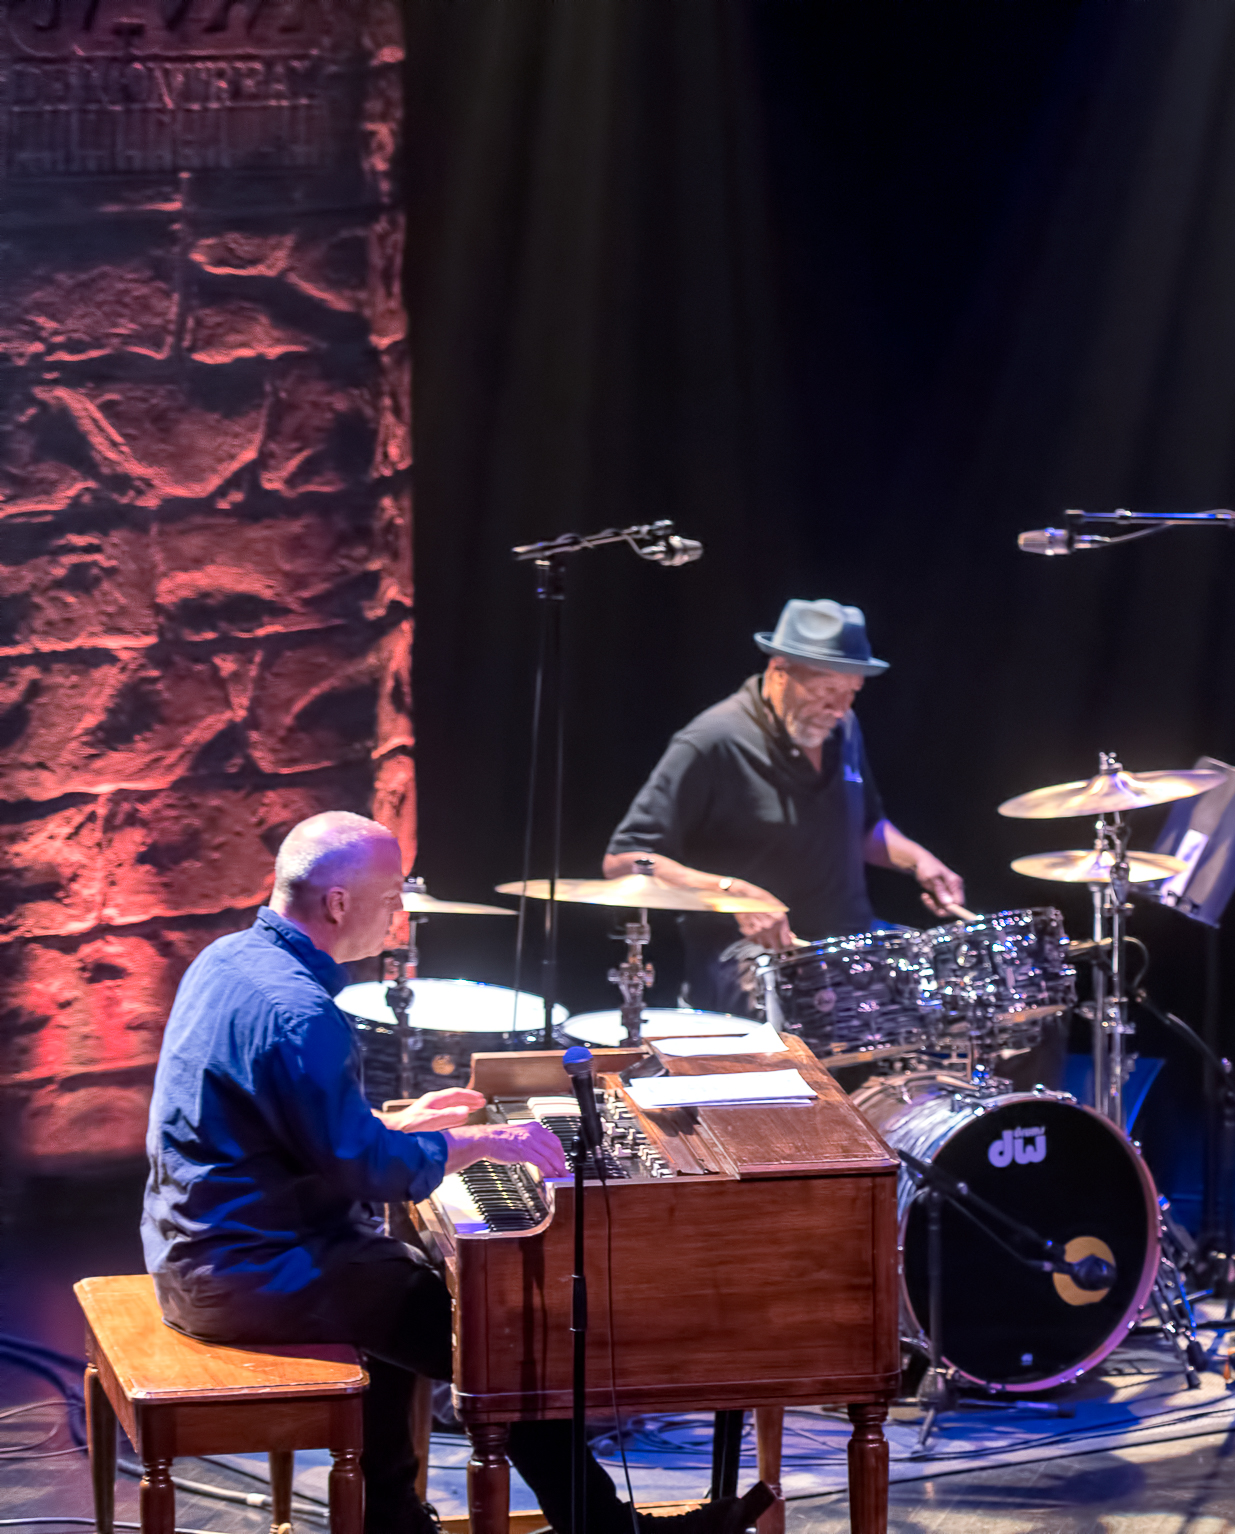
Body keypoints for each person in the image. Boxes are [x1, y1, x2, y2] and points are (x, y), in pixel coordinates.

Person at [143, 811, 773, 1534]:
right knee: (502, 1340)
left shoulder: (226, 960)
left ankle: (394, 1516)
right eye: (390, 899)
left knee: (410, 1285)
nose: (400, 916)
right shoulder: (300, 1011)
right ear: (338, 904)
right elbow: (363, 1169)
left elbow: (282, 1133)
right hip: (251, 1273)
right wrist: (485, 1142)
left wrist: (404, 1125)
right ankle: (603, 1530)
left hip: (199, 1248)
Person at [605, 598, 966, 1012]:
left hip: (846, 942)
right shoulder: (711, 741)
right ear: (779, 671)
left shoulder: (842, 726)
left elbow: (863, 827)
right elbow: (625, 859)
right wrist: (732, 893)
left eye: (851, 693)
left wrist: (918, 860)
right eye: (826, 690)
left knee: (975, 993)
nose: (839, 708)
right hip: (743, 957)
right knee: (804, 1008)